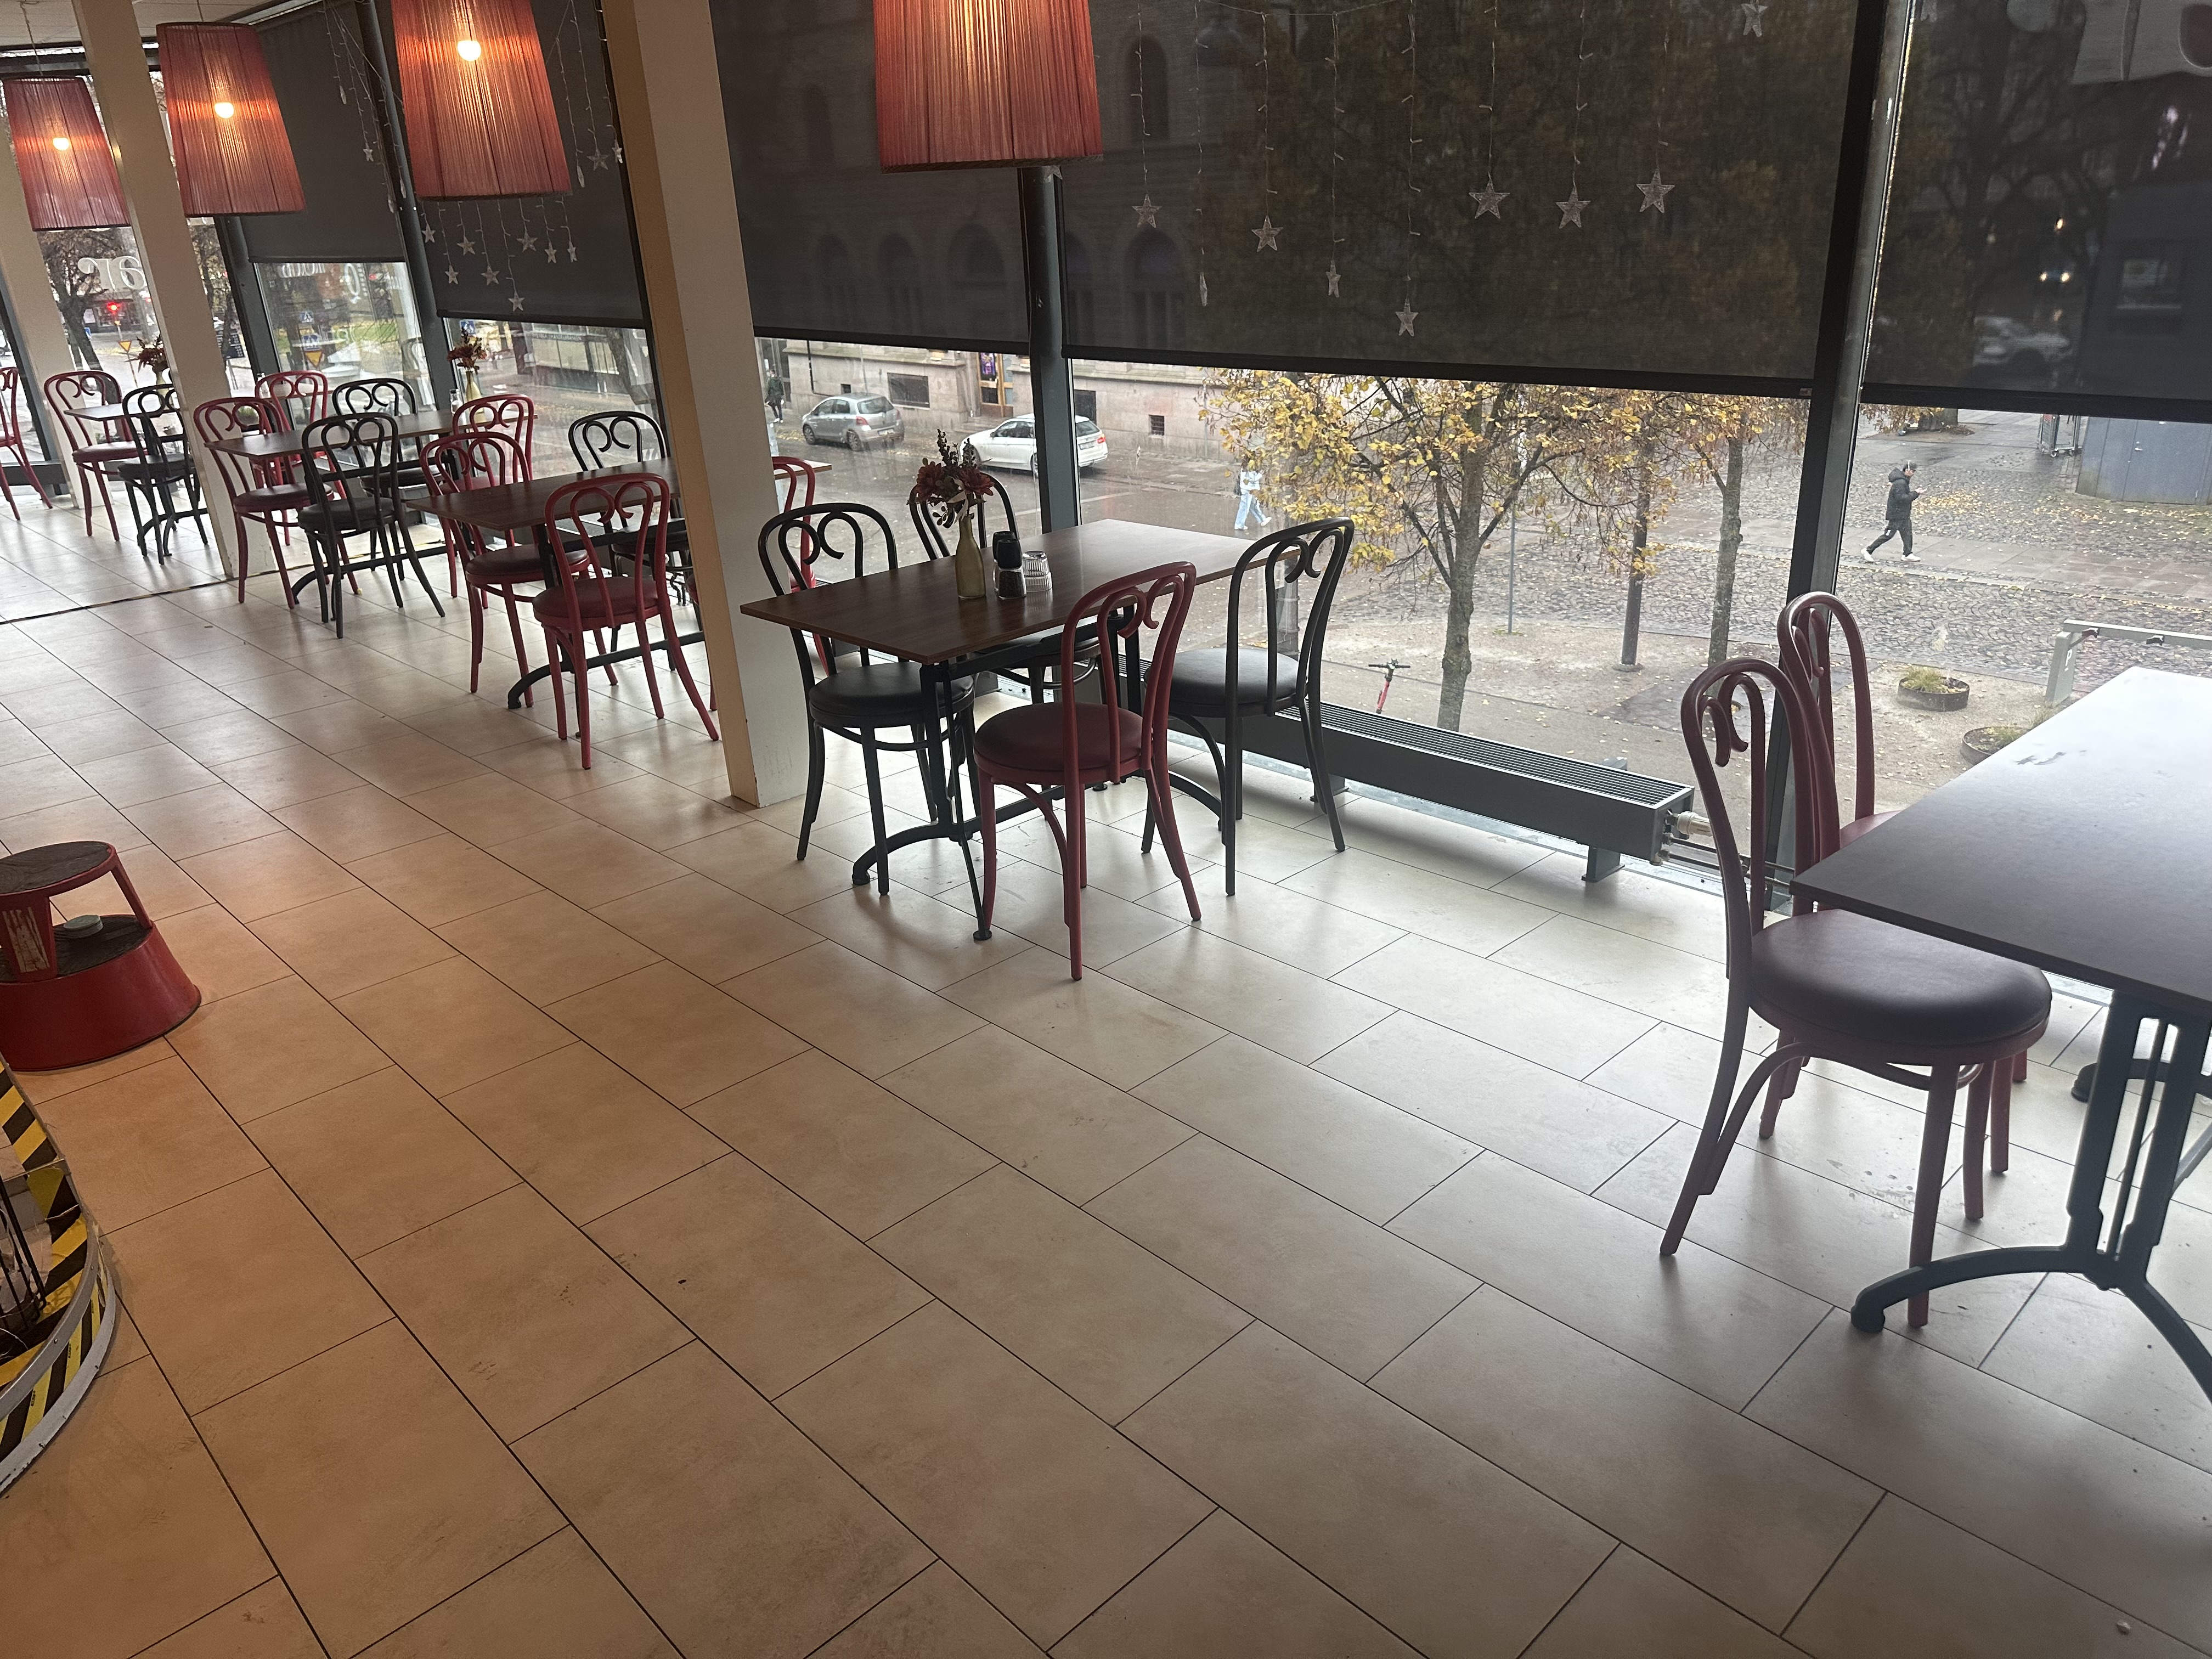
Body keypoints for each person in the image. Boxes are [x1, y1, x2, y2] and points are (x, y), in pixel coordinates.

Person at [1865, 463, 1921, 561]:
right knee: (1888, 535)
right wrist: (1915, 493)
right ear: (1907, 470)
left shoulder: (1902, 481)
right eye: (1913, 471)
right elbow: (1902, 498)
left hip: (1902, 514)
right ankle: (1868, 550)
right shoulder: (1900, 483)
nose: (1914, 473)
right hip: (1897, 515)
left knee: (1907, 533)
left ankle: (1907, 554)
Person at [1234, 460, 1266, 532]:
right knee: (1245, 508)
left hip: (1246, 489)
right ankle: (1240, 525)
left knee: (1248, 507)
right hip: (1248, 490)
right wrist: (1260, 475)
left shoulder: (1244, 467)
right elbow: (1252, 479)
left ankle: (1261, 520)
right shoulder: (1249, 467)